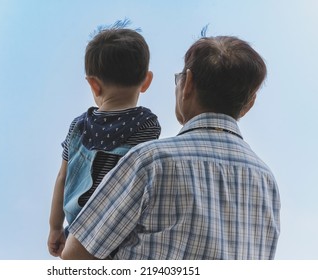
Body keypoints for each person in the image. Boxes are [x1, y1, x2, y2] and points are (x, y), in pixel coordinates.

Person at [61, 36, 281, 260]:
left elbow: (74, 256)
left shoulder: (150, 161)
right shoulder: (266, 182)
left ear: (188, 84)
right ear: (249, 103)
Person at [47, 21, 161, 258]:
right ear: (147, 80)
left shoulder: (79, 126)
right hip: (118, 234)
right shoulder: (146, 124)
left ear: (93, 84)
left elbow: (62, 177)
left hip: (76, 232)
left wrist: (55, 227)